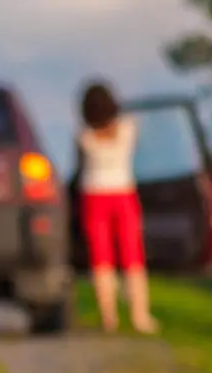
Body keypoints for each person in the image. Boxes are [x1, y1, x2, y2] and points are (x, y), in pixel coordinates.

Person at [76, 80, 159, 335]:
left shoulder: (83, 137)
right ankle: (140, 315)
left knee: (101, 258)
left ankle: (108, 316)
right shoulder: (128, 129)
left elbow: (78, 167)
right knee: (133, 255)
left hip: (93, 195)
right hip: (123, 194)